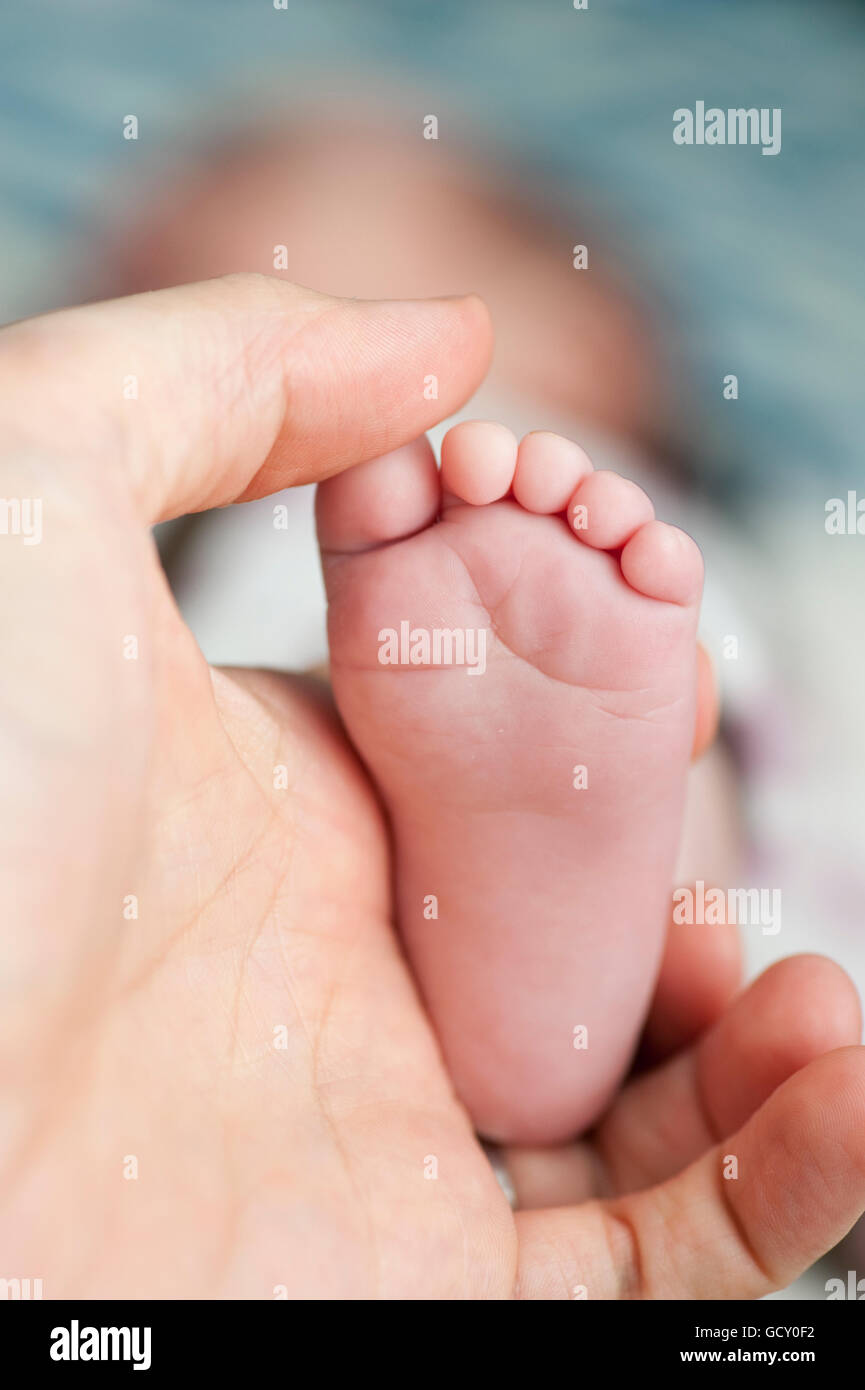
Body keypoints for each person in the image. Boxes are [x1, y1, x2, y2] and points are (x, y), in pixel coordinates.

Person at [1, 274, 863, 1298]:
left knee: (278, 698)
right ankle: (598, 937)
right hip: (547, 598)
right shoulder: (690, 533)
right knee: (712, 756)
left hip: (270, 599)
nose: (442, 420)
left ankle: (553, 921)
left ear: (627, 367)